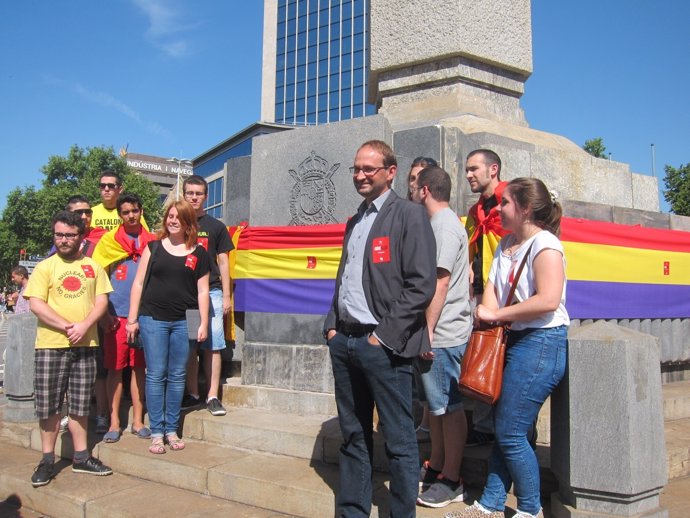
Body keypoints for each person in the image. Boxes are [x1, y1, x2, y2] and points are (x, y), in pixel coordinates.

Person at [323, 140, 437, 517]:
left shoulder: (409, 215)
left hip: (384, 346)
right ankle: (353, 510)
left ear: (390, 172)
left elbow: (421, 284)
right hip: (346, 342)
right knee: (354, 436)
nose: (360, 176)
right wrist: (331, 328)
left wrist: (380, 337)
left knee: (400, 441)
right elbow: (345, 278)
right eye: (356, 169)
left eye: (368, 169)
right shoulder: (355, 220)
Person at [445, 178, 569, 518]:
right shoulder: (506, 244)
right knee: (510, 429)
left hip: (542, 341)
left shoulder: (545, 245)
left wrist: (496, 314)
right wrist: (486, 312)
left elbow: (547, 300)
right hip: (514, 340)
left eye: (506, 203)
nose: (498, 209)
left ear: (526, 209)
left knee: (511, 431)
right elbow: (493, 295)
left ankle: (530, 510)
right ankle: (490, 504)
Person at [23, 210, 114, 487]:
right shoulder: (45, 267)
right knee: (49, 406)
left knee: (79, 405)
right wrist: (67, 327)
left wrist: (84, 325)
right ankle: (47, 460)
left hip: (86, 346)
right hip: (51, 347)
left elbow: (101, 302)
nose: (63, 240)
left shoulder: (93, 267)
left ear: (81, 237)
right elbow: (36, 304)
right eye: (59, 234)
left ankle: (81, 457)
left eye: (69, 235)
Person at [126, 200, 210, 454]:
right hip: (153, 319)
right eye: (170, 216)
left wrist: (202, 323)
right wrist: (132, 319)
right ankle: (157, 431)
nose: (173, 220)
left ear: (188, 223)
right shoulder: (152, 248)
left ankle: (172, 429)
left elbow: (203, 291)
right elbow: (138, 284)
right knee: (156, 374)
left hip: (186, 319)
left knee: (177, 375)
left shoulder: (199, 254)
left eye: (179, 217)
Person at [410, 166, 472, 508]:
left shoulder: (446, 226)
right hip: (436, 331)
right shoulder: (437, 224)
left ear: (425, 191)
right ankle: (437, 465)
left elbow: (441, 281)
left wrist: (428, 332)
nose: (411, 189)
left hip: (444, 332)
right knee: (435, 406)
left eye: (414, 184)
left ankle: (452, 478)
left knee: (448, 407)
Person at [93, 193, 156, 443]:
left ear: (141, 211)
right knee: (115, 370)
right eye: (126, 212)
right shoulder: (109, 241)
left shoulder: (153, 241)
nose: (131, 215)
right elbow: (96, 279)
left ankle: (138, 421)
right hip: (116, 317)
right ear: (119, 215)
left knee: (140, 369)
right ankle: (114, 422)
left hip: (145, 316)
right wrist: (104, 314)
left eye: (135, 210)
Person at [463, 149, 510, 447]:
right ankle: (482, 427)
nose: (468, 174)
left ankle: (511, 430)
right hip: (480, 295)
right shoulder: (475, 211)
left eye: (473, 169)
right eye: (467, 169)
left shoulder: (514, 202)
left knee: (507, 362)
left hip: (508, 296)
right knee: (480, 355)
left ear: (493, 169)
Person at [181, 175, 234, 416]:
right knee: (193, 345)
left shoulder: (216, 227)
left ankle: (212, 395)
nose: (194, 197)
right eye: (190, 193)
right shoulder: (178, 224)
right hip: (189, 296)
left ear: (205, 196)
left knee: (213, 343)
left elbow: (224, 262)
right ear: (184, 195)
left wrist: (226, 295)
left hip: (211, 292)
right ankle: (193, 394)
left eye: (198, 193)